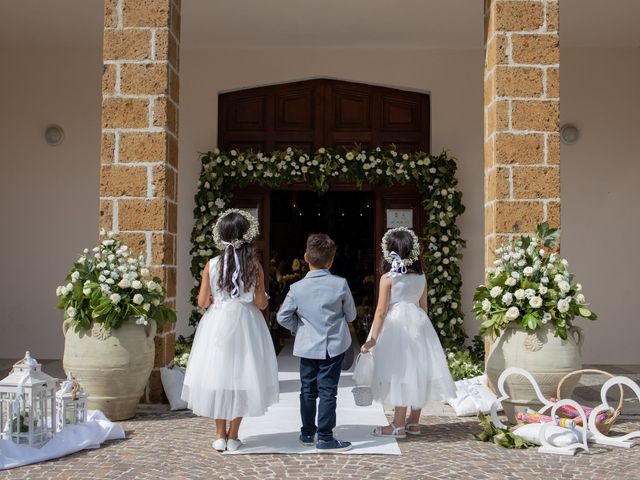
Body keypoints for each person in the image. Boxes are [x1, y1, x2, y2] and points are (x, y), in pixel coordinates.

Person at [181, 209, 279, 452]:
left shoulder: (212, 265)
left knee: (219, 377)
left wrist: (218, 301)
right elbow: (260, 303)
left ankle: (219, 435)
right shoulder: (254, 266)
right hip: (247, 324)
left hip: (217, 323)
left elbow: (203, 302)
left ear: (221, 235)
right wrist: (262, 297)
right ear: (247, 236)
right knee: (245, 377)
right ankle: (234, 435)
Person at [361, 227, 456, 438]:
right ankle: (413, 422)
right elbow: (424, 307)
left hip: (396, 326)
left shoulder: (388, 278)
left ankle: (397, 425)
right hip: (419, 324)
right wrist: (423, 329)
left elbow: (381, 312)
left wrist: (373, 339)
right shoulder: (421, 277)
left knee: (400, 372)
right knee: (418, 370)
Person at [277, 233, 357, 453]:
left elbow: (282, 316)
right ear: (330, 261)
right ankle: (325, 437)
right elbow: (351, 315)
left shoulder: (296, 288)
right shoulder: (340, 284)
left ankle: (307, 433)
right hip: (333, 346)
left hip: (307, 346)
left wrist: (298, 328)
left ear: (305, 257)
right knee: (328, 391)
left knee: (307, 390)